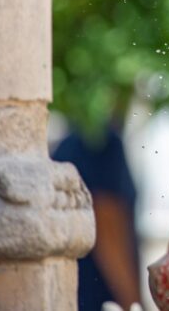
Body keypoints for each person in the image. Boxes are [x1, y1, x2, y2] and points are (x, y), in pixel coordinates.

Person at [53, 126, 141, 311]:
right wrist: (133, 303)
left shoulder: (68, 145)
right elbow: (106, 228)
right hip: (98, 298)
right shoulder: (101, 142)